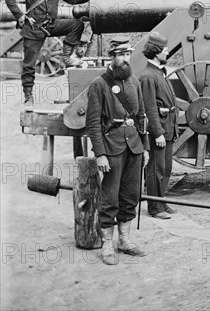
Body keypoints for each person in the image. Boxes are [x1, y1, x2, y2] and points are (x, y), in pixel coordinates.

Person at [4, 0, 97, 111]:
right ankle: (28, 99)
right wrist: (19, 15)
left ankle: (66, 57)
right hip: (33, 30)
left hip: (50, 26)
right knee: (29, 67)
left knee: (76, 24)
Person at [86, 39, 149, 265]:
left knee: (130, 194)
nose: (125, 59)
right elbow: (93, 123)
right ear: (111, 56)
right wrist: (100, 153)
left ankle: (125, 239)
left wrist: (145, 148)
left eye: (128, 54)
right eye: (121, 54)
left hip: (134, 147)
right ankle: (107, 244)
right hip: (112, 148)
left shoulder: (134, 81)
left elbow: (141, 116)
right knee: (110, 196)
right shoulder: (99, 84)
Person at [140, 32, 179, 220]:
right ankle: (154, 207)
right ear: (156, 52)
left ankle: (161, 202)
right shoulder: (148, 76)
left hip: (168, 127)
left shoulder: (158, 72)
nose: (167, 52)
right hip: (160, 130)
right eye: (164, 50)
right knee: (156, 169)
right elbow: (149, 108)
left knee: (166, 168)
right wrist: (157, 133)